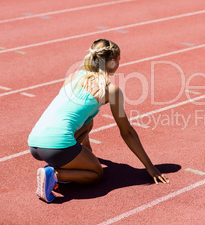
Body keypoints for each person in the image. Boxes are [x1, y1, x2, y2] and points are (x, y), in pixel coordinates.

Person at [28, 39, 169, 203]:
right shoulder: (110, 90)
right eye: (119, 59)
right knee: (96, 175)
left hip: (34, 142)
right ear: (112, 61)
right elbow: (127, 132)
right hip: (56, 147)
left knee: (88, 122)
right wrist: (149, 166)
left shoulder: (74, 75)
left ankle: (72, 164)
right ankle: (55, 174)